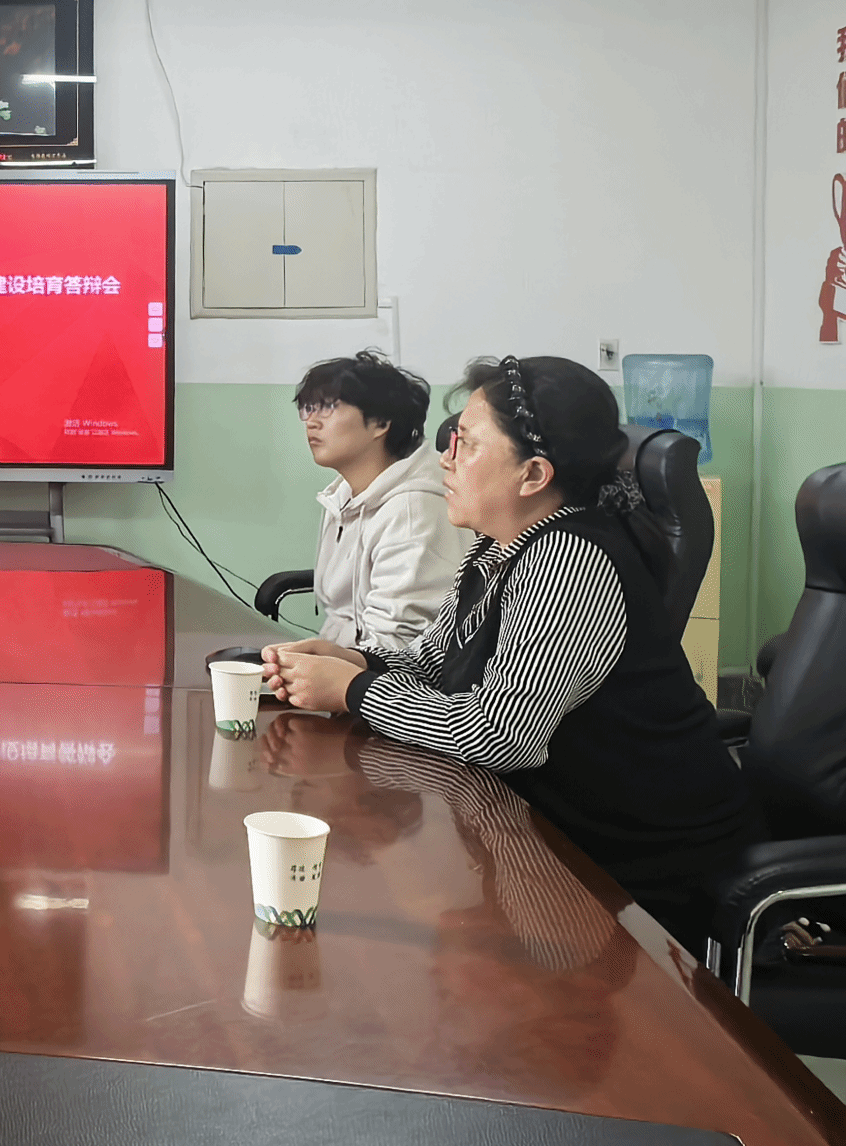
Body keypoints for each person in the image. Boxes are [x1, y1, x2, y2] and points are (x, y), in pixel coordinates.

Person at [262, 354, 759, 956]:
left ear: (533, 475)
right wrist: (357, 662)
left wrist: (351, 692)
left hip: (639, 866)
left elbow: (502, 734)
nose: (445, 459)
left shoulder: (572, 559)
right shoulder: (500, 548)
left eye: (466, 444)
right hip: (555, 836)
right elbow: (434, 657)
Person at [293, 350, 469, 653]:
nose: (311, 422)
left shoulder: (413, 510)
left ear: (380, 422)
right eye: (308, 409)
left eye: (329, 407)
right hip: (345, 658)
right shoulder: (343, 493)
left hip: (383, 674)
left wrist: (321, 669)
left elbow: (398, 645)